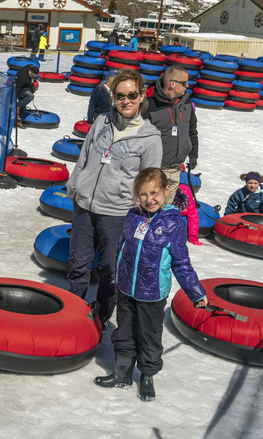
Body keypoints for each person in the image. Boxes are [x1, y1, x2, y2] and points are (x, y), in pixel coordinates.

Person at [94, 167, 207, 402]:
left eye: (154, 193)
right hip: (126, 290)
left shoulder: (174, 224)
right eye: (143, 194)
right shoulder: (133, 216)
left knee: (149, 337)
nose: (149, 199)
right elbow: (121, 249)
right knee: (123, 334)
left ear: (166, 190)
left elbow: (181, 263)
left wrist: (196, 292)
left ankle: (147, 377)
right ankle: (122, 374)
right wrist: (115, 275)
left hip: (152, 294)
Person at [66, 70, 163, 327]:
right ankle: (71, 314)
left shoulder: (150, 138)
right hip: (85, 205)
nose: (126, 101)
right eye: (120, 96)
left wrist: (145, 217)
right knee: (78, 264)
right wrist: (75, 185)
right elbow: (85, 156)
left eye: (132, 95)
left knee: (109, 271)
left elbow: (150, 183)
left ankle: (99, 320)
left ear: (141, 96)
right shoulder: (101, 122)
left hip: (117, 212)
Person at [142, 65, 198, 204]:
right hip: (156, 168)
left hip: (176, 167)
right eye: (184, 83)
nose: (187, 85)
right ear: (172, 83)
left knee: (166, 210)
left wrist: (193, 154)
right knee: (151, 207)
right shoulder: (149, 104)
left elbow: (191, 129)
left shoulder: (186, 101)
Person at [14, 64, 38, 128]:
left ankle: (18, 122)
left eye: (34, 76)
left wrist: (32, 88)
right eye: (31, 75)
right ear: (29, 71)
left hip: (25, 87)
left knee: (23, 106)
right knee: (30, 96)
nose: (32, 77)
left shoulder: (30, 70)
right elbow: (18, 87)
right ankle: (17, 106)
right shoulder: (22, 77)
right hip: (19, 89)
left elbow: (31, 81)